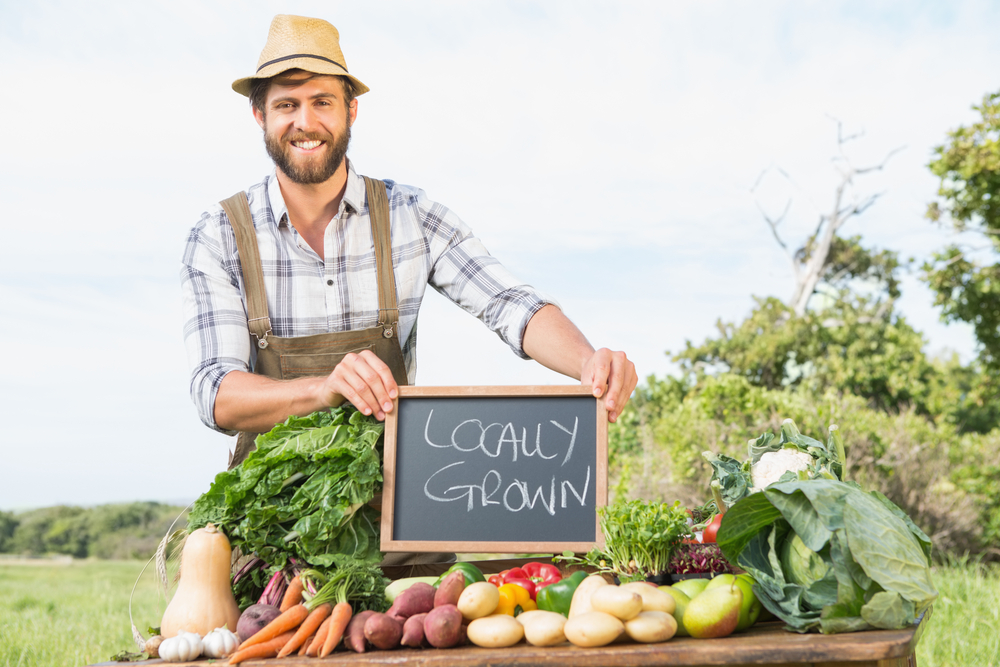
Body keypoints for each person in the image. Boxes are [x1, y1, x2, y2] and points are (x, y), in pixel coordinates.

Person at [181, 14, 637, 472]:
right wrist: (322, 389)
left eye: (322, 101)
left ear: (351, 110)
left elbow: (509, 302)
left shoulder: (410, 217)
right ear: (259, 114)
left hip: (395, 504)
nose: (306, 121)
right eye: (286, 105)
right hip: (272, 514)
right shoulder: (219, 237)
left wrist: (588, 363)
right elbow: (215, 392)